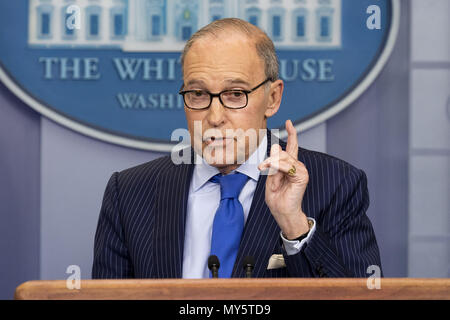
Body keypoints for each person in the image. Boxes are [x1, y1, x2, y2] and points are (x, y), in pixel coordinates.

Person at [92, 18, 382, 279]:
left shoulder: (336, 185)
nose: (214, 117)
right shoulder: (129, 193)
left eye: (235, 94)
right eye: (198, 94)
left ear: (273, 98)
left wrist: (294, 225)